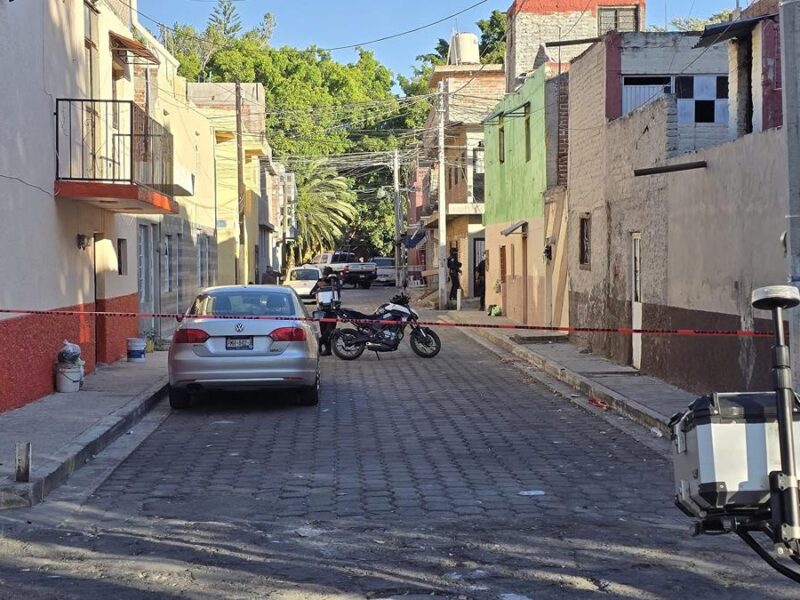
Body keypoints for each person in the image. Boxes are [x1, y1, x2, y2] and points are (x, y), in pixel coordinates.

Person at [311, 267, 341, 356]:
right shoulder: (320, 281)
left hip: (332, 310)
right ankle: (328, 350)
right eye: (324, 273)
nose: (325, 275)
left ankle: (320, 343)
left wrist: (332, 282)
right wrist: (319, 287)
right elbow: (311, 292)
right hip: (322, 310)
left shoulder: (335, 281)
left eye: (327, 274)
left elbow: (338, 291)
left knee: (330, 331)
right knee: (323, 330)